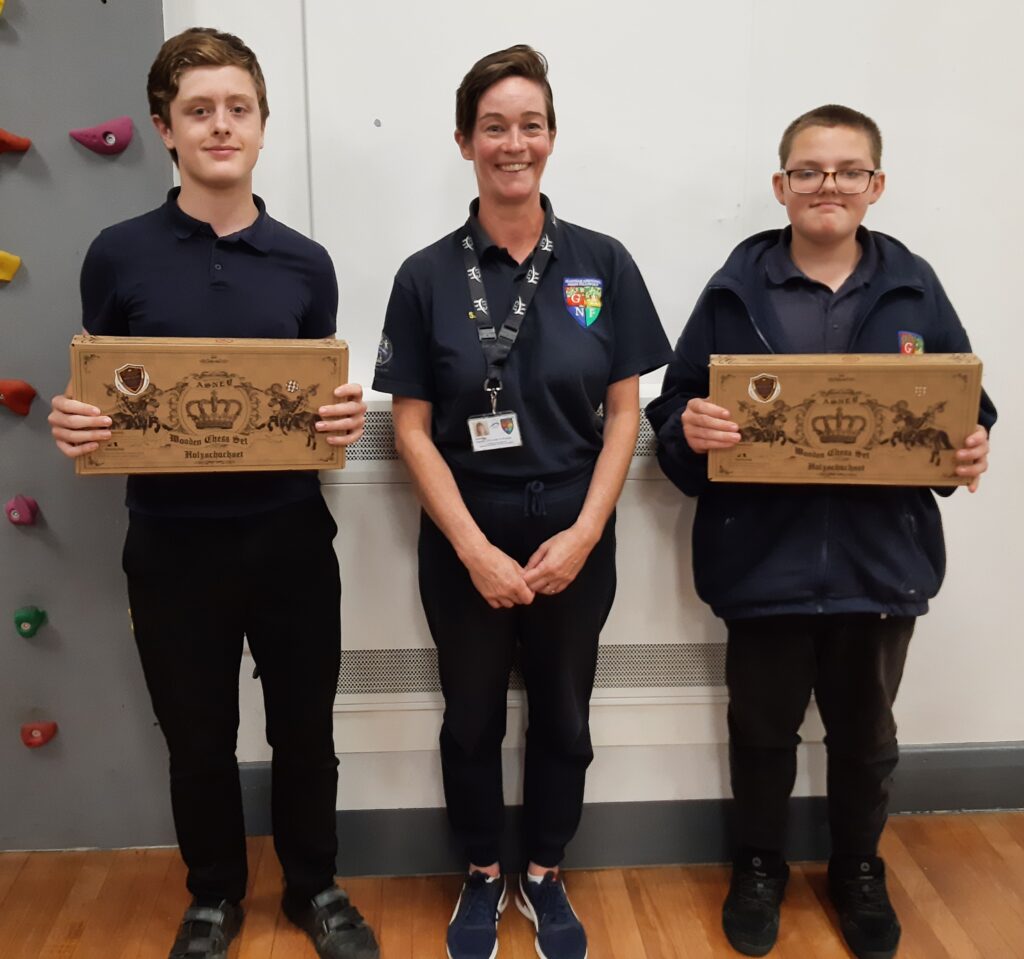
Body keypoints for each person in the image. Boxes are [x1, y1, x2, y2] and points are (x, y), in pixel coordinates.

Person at [47, 28, 378, 959]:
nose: (220, 125)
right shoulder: (118, 254)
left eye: (238, 108)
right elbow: (100, 386)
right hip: (168, 541)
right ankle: (213, 897)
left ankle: (315, 886)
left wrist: (341, 421)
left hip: (289, 537)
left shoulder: (307, 263)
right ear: (165, 128)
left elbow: (311, 398)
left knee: (306, 732)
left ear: (263, 126)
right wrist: (71, 422)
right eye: (199, 110)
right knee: (197, 737)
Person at [646, 104, 996, 959]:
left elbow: (964, 401)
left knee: (867, 736)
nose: (827, 185)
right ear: (781, 186)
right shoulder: (735, 290)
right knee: (760, 729)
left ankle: (857, 868)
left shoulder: (915, 286)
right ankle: (759, 863)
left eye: (847, 171)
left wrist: (972, 438)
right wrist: (687, 432)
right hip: (761, 563)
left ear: (876, 186)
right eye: (808, 171)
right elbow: (672, 408)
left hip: (881, 566)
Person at [373, 45, 672, 959]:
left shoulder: (601, 264)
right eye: (494, 126)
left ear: (551, 137)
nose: (514, 142)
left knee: (565, 714)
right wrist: (470, 547)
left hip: (575, 530)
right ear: (465, 140)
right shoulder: (425, 275)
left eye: (530, 124)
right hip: (467, 530)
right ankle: (480, 874)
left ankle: (543, 872)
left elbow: (626, 414)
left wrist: (584, 533)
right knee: (468, 716)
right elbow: (411, 429)